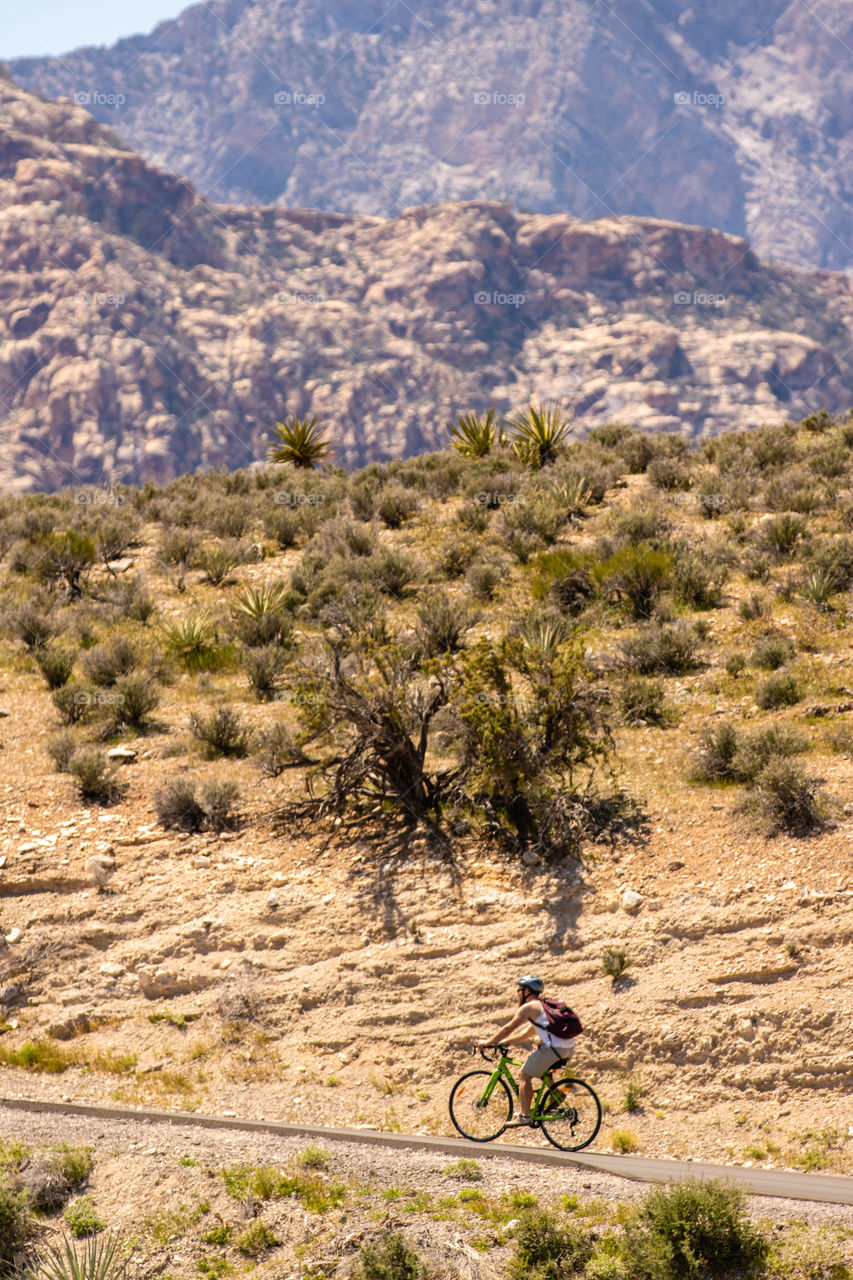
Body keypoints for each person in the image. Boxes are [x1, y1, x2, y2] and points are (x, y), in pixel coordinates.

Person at [475, 974, 576, 1127]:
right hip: (567, 1048)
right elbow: (527, 1033)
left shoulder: (529, 1007)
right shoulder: (543, 1006)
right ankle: (555, 1095)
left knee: (524, 1074)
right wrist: (506, 1042)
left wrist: (488, 1042)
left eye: (519, 990)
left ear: (526, 991)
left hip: (553, 1049)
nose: (518, 993)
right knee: (540, 1069)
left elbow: (509, 1027)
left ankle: (525, 1116)